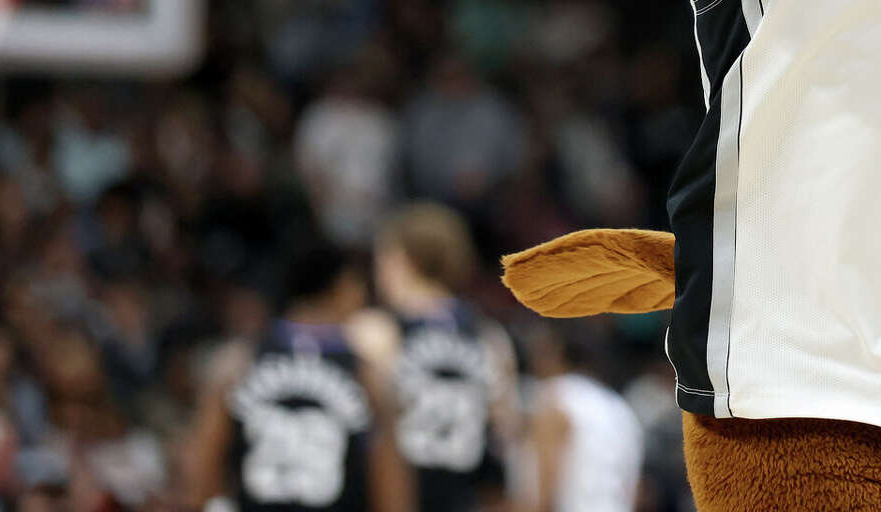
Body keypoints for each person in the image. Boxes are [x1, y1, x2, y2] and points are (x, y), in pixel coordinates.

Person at [182, 235, 409, 512]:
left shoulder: (239, 361)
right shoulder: (366, 375)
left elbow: (201, 466)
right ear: (343, 286)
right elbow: (391, 482)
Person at [347, 204, 518, 512]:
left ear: (399, 258)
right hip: (465, 495)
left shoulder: (375, 332)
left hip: (397, 494)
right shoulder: (489, 337)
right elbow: (503, 431)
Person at [522, 324, 642, 512]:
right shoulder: (621, 409)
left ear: (557, 352)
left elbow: (545, 492)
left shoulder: (556, 399)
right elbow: (634, 491)